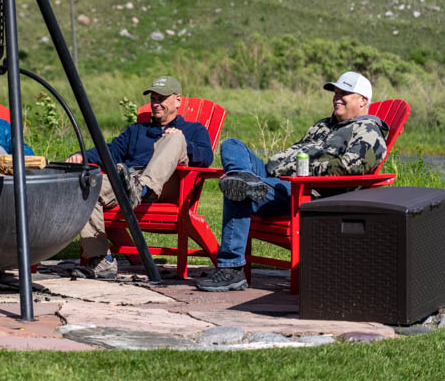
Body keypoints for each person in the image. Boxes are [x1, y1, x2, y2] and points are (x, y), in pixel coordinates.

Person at [196, 71, 389, 292]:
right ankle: (244, 177)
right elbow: (294, 151)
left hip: (305, 191)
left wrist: (300, 171)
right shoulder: (324, 125)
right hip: (277, 177)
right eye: (335, 93)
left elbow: (353, 166)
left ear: (363, 100)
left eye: (344, 93)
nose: (337, 97)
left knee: (238, 190)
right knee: (232, 145)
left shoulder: (368, 130)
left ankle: (232, 268)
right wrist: (281, 166)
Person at [66, 75, 213, 279]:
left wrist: (179, 142)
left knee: (175, 137)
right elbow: (110, 151)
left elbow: (206, 157)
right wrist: (83, 155)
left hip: (170, 184)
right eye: (153, 98)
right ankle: (101, 261)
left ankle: (142, 187)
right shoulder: (137, 130)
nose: (156, 103)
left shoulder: (193, 130)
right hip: (129, 180)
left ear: (178, 100)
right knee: (87, 187)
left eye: (161, 98)